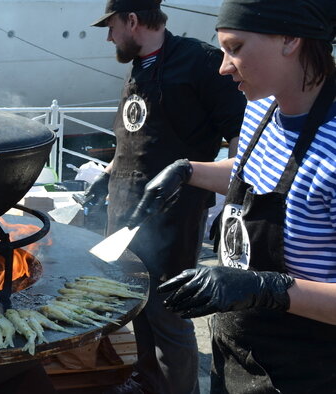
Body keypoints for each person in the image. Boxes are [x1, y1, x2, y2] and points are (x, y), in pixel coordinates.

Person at [131, 0, 336, 392]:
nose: (223, 66)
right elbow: (259, 177)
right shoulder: (261, 108)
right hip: (235, 353)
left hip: (304, 372)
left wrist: (265, 288)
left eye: (236, 48)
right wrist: (188, 171)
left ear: (290, 39)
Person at [85, 0, 247, 393]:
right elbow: (140, 135)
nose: (109, 36)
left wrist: (236, 203)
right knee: (135, 301)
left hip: (174, 211)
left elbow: (240, 136)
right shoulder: (140, 64)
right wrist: (107, 176)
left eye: (111, 26)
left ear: (133, 20)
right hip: (125, 206)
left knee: (168, 310)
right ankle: (147, 379)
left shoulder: (199, 62)